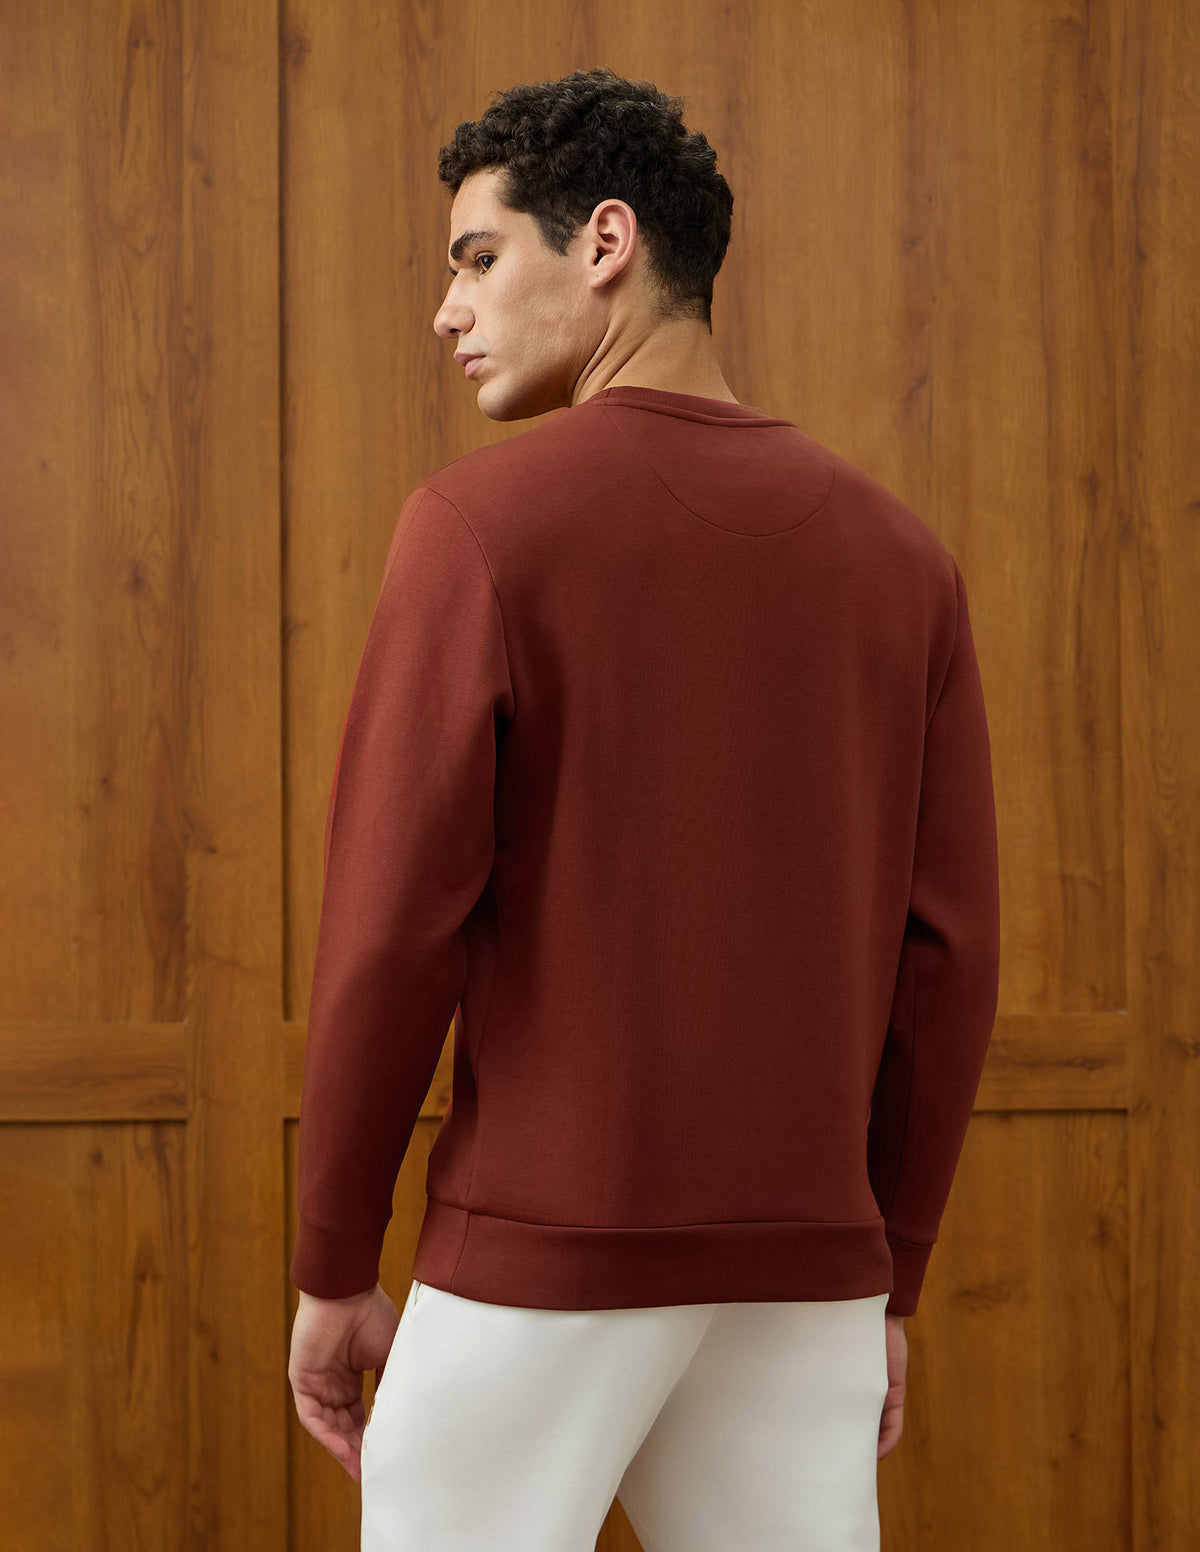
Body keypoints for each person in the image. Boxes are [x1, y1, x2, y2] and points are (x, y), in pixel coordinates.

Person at [287, 66, 1000, 1551]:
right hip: (808, 1267)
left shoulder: (479, 530)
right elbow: (947, 956)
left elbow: (389, 931)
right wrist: (890, 1270)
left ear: (605, 242)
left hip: (542, 1264)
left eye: (479, 257)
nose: (448, 310)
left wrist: (335, 1259)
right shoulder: (903, 563)